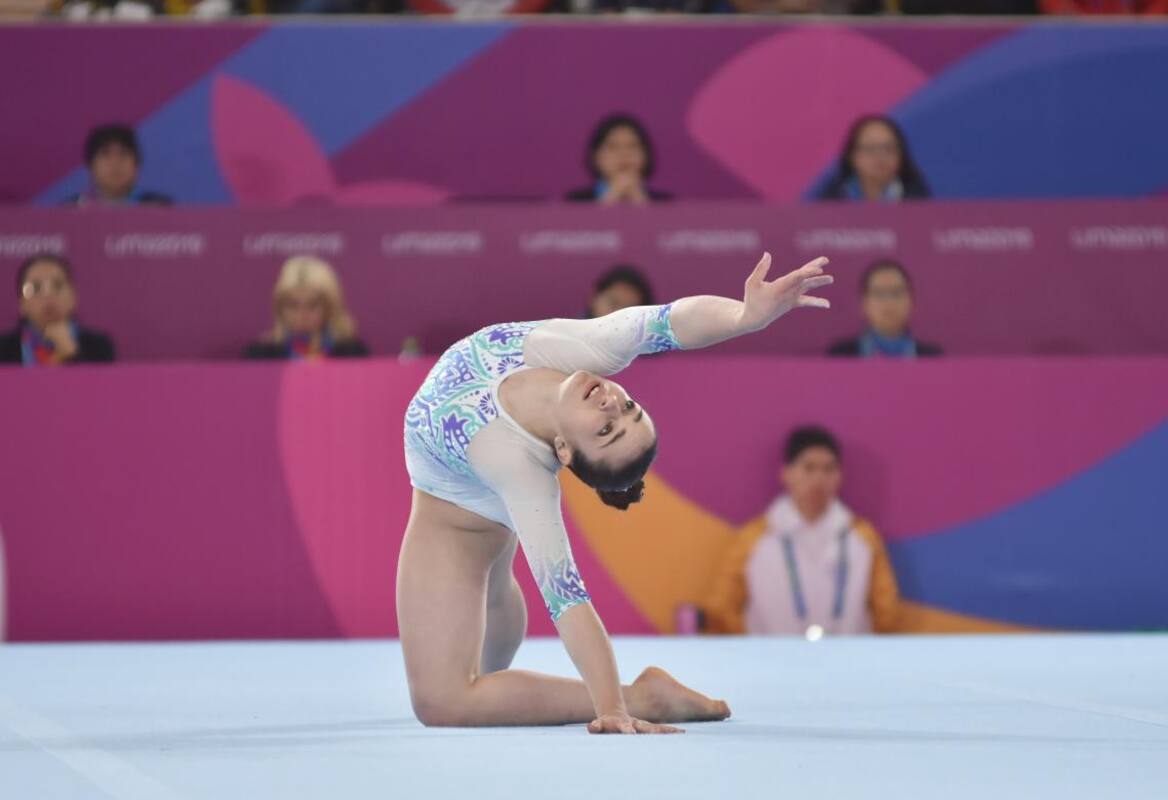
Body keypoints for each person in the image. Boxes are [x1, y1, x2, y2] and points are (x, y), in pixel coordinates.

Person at [398, 251, 833, 733]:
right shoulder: (589, 350)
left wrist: (614, 707)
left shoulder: (519, 468)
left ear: (563, 450)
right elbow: (670, 322)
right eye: (628, 409)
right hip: (479, 515)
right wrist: (743, 317)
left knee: (443, 703)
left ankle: (644, 695)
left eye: (605, 431)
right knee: (493, 614)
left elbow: (568, 600)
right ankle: (510, 624)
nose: (611, 404)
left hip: (458, 521)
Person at [699, 427, 900, 637]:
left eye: (828, 469)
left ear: (840, 475)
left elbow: (886, 612)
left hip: (849, 662)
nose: (819, 478)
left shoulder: (863, 536)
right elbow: (722, 607)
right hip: (770, 662)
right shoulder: (754, 536)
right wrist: (754, 649)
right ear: (786, 473)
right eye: (809, 468)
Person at [242, 256, 370, 360]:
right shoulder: (260, 356)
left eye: (313, 305)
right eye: (292, 305)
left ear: (329, 307)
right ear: (280, 308)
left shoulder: (352, 354)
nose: (302, 315)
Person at [0, 254, 115, 366]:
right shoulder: (3, 349)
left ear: (73, 298)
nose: (48, 296)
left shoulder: (99, 346)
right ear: (21, 304)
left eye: (58, 286)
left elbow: (99, 385)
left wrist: (72, 354)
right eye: (35, 288)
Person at [827, 260, 942, 359]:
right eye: (879, 294)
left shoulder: (932, 358)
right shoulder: (841, 355)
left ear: (912, 301)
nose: (888, 302)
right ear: (864, 303)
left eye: (896, 293)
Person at [815, 115, 930, 203]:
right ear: (852, 156)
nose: (880, 156)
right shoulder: (831, 199)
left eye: (888, 148)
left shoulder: (917, 200)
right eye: (870, 148)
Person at [565, 114, 672, 205]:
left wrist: (641, 201)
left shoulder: (666, 203)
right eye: (612, 147)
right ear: (595, 156)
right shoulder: (575, 202)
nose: (624, 154)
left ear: (646, 154)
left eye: (632, 146)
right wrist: (609, 199)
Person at [64, 124, 173, 207]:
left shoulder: (159, 208)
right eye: (105, 154)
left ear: (137, 165)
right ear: (90, 166)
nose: (115, 163)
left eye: (123, 154)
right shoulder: (72, 210)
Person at [586, 265, 655, 319]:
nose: (618, 314)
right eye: (614, 303)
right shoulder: (575, 334)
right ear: (594, 298)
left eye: (630, 310)